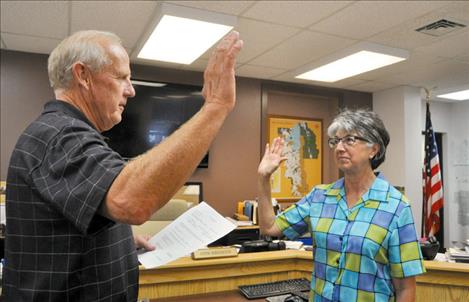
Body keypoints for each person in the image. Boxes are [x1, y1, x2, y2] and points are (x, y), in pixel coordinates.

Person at [2, 30, 242, 301]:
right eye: (122, 77)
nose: (131, 90)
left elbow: (66, 233)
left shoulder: (65, 133)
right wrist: (216, 106)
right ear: (83, 75)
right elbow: (132, 201)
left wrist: (120, 243)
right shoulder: (60, 136)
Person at [257, 109, 425, 302]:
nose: (339, 148)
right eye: (335, 141)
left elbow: (405, 287)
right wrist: (264, 178)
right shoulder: (319, 197)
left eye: (349, 140)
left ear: (374, 149)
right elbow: (270, 227)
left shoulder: (397, 207)